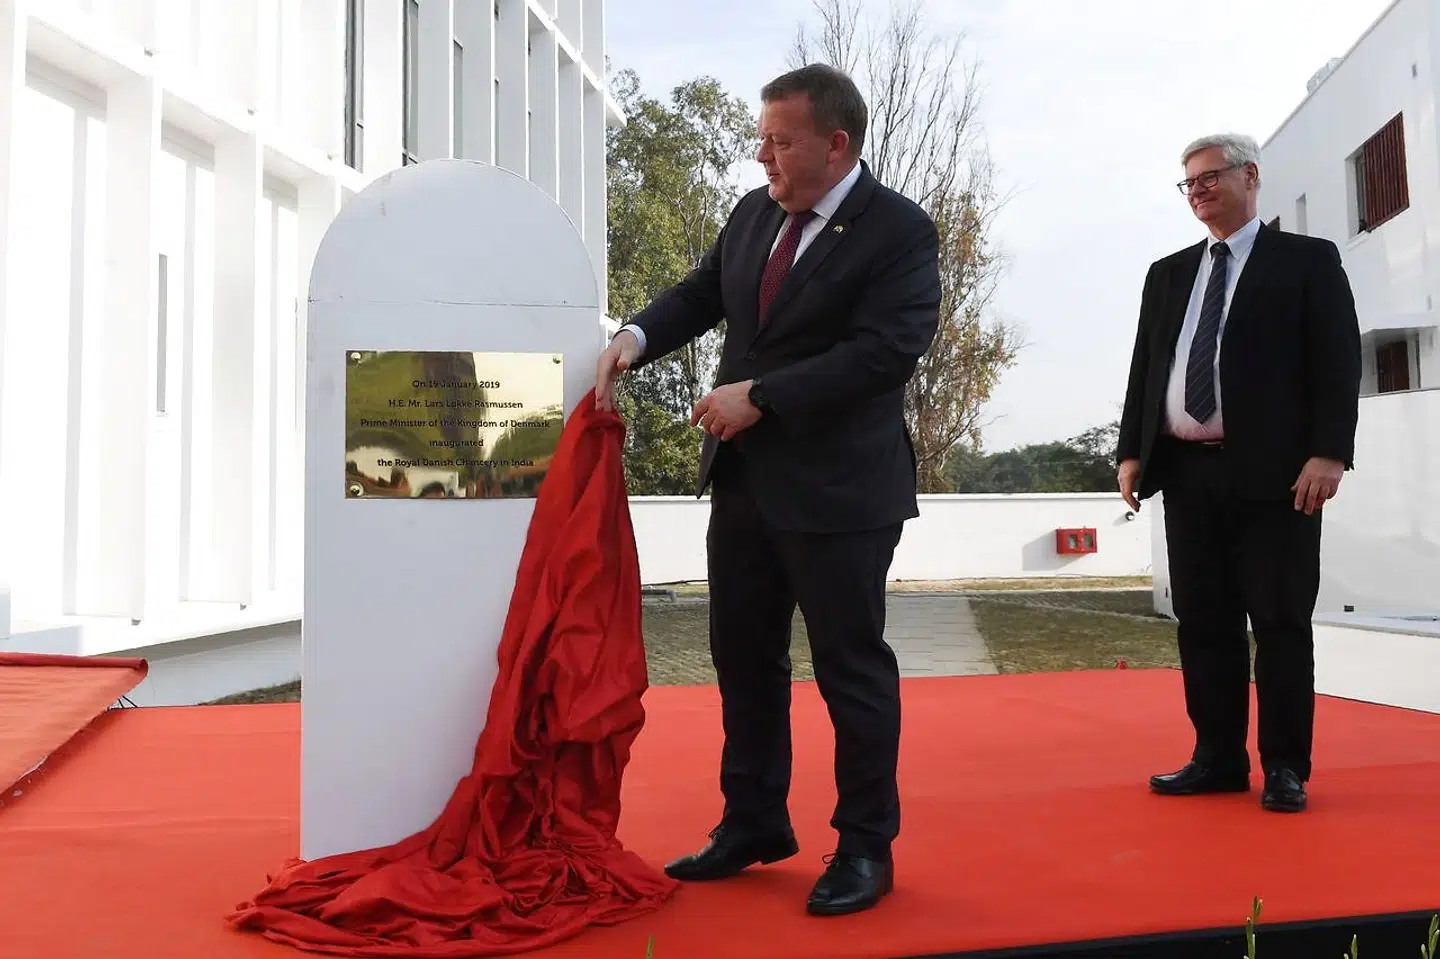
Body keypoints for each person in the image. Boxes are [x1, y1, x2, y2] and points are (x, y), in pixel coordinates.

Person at [593, 63, 940, 916]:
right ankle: (752, 819)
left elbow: (886, 351)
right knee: (742, 660)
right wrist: (635, 336)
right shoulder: (755, 214)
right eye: (762, 139)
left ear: (837, 143)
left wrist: (764, 396)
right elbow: (704, 293)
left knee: (850, 670)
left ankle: (865, 845)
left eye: (780, 142)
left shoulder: (898, 230)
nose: (763, 157)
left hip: (842, 492)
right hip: (747, 486)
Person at [1116, 133, 1361, 814]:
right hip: (1188, 475)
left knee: (1280, 621)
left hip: (1280, 478)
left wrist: (1330, 452)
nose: (1198, 191)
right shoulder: (1168, 274)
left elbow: (1336, 362)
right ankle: (1216, 758)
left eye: (1209, 177)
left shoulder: (1306, 262)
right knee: (1203, 623)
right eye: (1188, 183)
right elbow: (1148, 369)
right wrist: (1131, 451)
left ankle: (1285, 765)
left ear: (1251, 176)